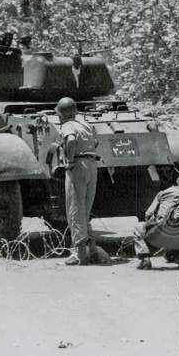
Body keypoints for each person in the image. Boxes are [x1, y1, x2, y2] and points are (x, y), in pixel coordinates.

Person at [56, 97, 109, 266]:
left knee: (75, 208)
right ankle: (91, 249)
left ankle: (79, 253)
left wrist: (70, 160)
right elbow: (95, 141)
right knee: (85, 208)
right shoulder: (85, 124)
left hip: (77, 165)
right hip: (92, 164)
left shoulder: (67, 125)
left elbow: (70, 139)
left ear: (60, 113)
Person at [131, 165, 179, 269]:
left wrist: (151, 225)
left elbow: (148, 214)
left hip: (160, 235)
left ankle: (145, 259)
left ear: (178, 179)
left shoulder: (164, 193)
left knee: (138, 229)